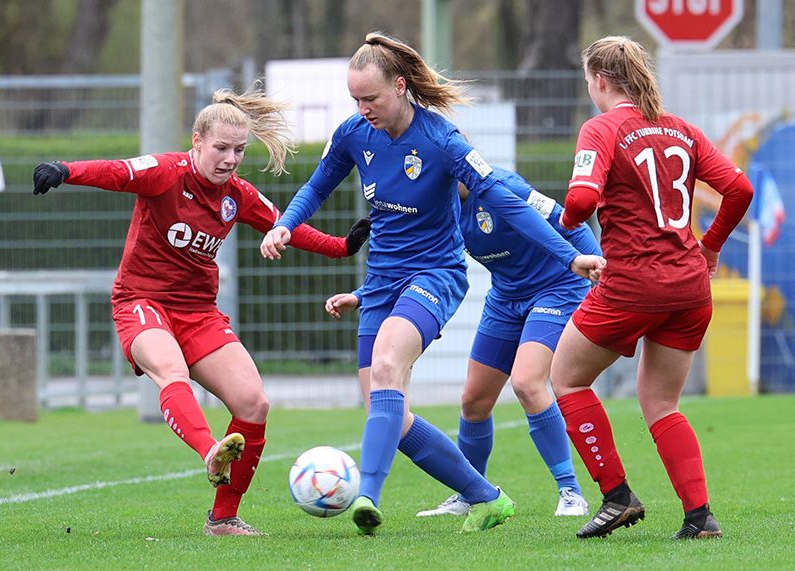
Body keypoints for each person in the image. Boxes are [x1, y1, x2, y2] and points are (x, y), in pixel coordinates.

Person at [261, 31, 605, 536]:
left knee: (389, 367)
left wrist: (572, 257)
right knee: (388, 408)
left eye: (371, 98)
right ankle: (483, 495)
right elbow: (317, 185)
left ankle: (367, 496)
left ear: (400, 87)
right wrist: (286, 224)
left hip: (434, 276)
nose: (362, 109)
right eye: (354, 99)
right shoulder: (355, 133)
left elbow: (511, 203)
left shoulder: (443, 142)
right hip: (382, 280)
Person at [31, 83, 371, 537]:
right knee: (170, 371)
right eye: (221, 149)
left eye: (239, 150)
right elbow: (116, 172)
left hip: (198, 313)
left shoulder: (238, 194)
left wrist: (342, 247)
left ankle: (224, 519)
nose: (230, 159)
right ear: (197, 142)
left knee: (254, 402)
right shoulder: (166, 172)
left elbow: (286, 226)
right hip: (141, 302)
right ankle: (211, 451)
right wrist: (64, 169)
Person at [550, 36, 754, 540]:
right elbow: (739, 188)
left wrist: (571, 217)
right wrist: (710, 247)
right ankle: (700, 516)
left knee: (566, 379)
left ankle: (616, 495)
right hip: (689, 286)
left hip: (633, 283)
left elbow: (580, 198)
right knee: (663, 403)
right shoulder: (679, 129)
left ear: (599, 80)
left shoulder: (600, 127)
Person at [326, 167, 601, 520]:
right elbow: (417, 262)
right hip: (505, 297)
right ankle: (472, 494)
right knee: (474, 401)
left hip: (558, 288)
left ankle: (571, 493)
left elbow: (568, 222)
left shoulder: (504, 187)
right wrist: (362, 295)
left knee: (527, 382)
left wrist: (600, 275)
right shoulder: (440, 208)